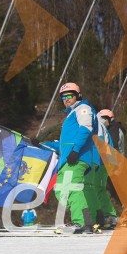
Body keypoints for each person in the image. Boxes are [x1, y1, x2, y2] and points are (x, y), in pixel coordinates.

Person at [42, 82, 100, 233]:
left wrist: (75, 150)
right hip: (69, 158)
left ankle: (81, 222)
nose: (66, 99)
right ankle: (86, 221)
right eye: (63, 97)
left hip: (77, 157)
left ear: (78, 96)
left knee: (71, 188)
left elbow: (86, 128)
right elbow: (62, 144)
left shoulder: (83, 109)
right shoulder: (70, 115)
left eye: (69, 96)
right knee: (62, 190)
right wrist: (41, 144)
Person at [94, 109, 119, 229]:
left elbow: (109, 145)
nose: (104, 121)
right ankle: (107, 214)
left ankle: (107, 214)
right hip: (109, 162)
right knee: (101, 188)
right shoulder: (110, 129)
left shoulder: (112, 129)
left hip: (105, 162)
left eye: (106, 119)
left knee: (98, 188)